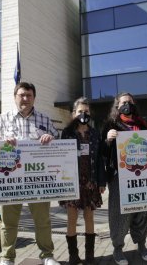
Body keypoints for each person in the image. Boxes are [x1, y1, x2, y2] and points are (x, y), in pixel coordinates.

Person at [0, 82, 60, 265]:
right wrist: (1, 141)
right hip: (11, 179)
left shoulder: (44, 119)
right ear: (15, 97)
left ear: (34, 97)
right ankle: (7, 258)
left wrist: (51, 138)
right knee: (9, 222)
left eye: (29, 95)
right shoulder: (2, 119)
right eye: (22, 95)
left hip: (38, 180)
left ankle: (47, 256)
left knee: (42, 221)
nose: (25, 98)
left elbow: (58, 142)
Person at [101, 92, 147, 265]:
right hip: (119, 177)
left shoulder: (142, 124)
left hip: (142, 175)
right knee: (120, 213)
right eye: (124, 102)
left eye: (130, 102)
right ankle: (118, 247)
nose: (127, 105)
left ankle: (142, 244)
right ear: (117, 106)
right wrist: (107, 140)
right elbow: (101, 151)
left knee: (143, 211)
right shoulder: (111, 124)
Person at [59, 97, 106, 265]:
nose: (83, 114)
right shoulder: (67, 133)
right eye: (80, 111)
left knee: (89, 218)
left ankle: (90, 256)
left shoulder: (95, 133)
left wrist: (101, 181)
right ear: (74, 114)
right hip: (72, 182)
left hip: (91, 181)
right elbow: (61, 158)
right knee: (72, 219)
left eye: (86, 111)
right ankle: (73, 255)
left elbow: (100, 159)